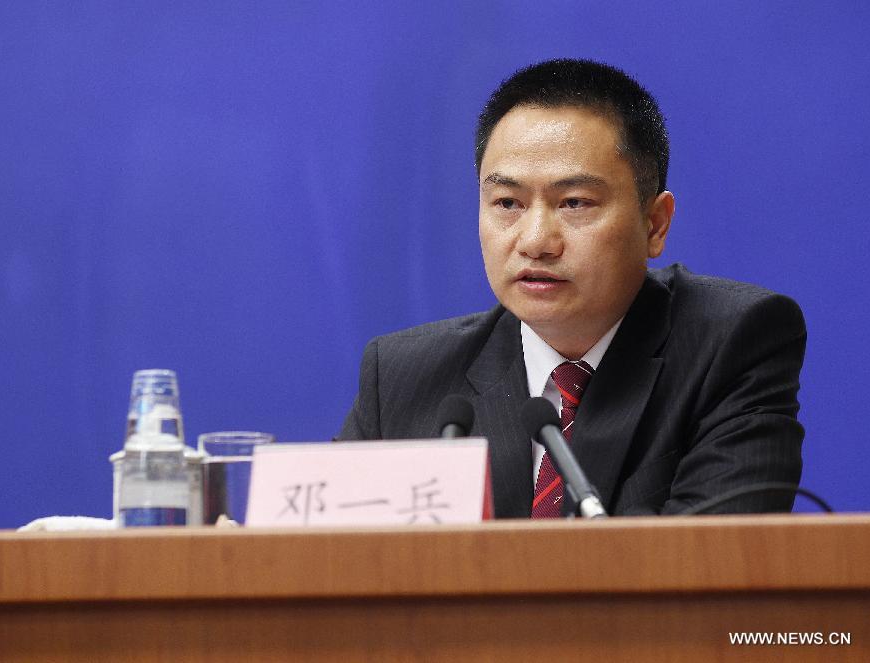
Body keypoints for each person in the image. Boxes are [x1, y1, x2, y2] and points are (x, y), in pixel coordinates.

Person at [338, 59, 806, 518]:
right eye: (507, 202)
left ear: (655, 223)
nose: (536, 240)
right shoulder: (402, 378)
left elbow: (708, 567)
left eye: (575, 202)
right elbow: (335, 567)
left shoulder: (730, 344)